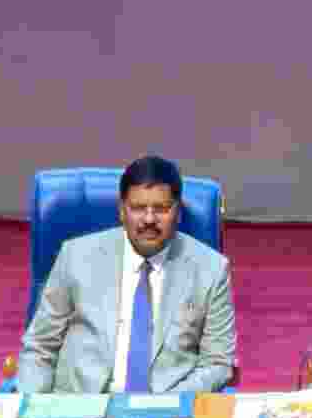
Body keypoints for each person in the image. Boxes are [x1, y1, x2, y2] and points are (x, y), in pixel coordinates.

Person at [19, 155, 235, 393]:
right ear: (122, 211)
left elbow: (217, 363)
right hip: (78, 410)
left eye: (162, 208)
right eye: (138, 208)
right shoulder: (76, 256)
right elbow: (40, 347)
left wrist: (171, 404)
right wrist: (33, 412)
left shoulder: (211, 269)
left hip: (167, 412)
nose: (149, 219)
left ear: (178, 212)